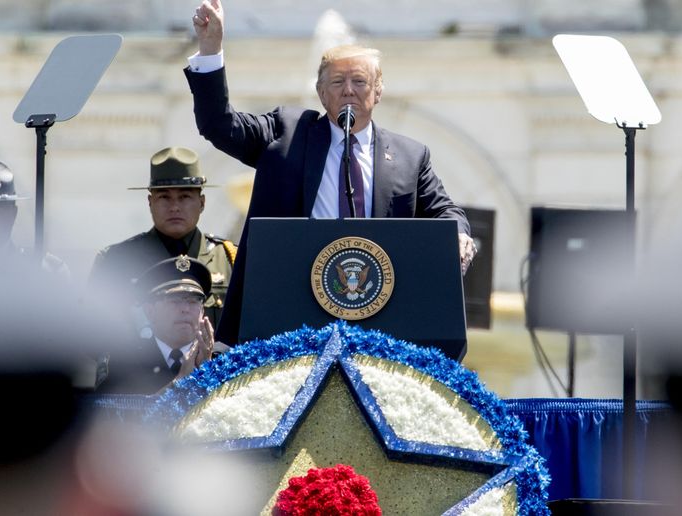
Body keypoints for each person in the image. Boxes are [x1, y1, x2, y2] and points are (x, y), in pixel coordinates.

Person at [185, 0, 477, 344]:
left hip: (378, 316)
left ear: (379, 90)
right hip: (289, 314)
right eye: (337, 82)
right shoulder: (286, 133)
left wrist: (457, 235)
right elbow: (220, 125)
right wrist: (210, 49)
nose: (349, 90)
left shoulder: (410, 157)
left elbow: (446, 211)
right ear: (322, 93)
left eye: (360, 81)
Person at [89, 146, 236, 331]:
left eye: (184, 197)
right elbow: (94, 334)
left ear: (202, 202)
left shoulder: (230, 260)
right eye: (164, 197)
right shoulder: (116, 261)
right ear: (150, 203)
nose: (174, 207)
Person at [95, 255, 226, 394]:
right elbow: (114, 413)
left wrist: (208, 373)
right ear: (149, 311)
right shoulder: (124, 362)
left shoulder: (225, 358)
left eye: (193, 301)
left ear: (202, 310)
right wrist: (181, 382)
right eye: (174, 300)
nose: (185, 309)